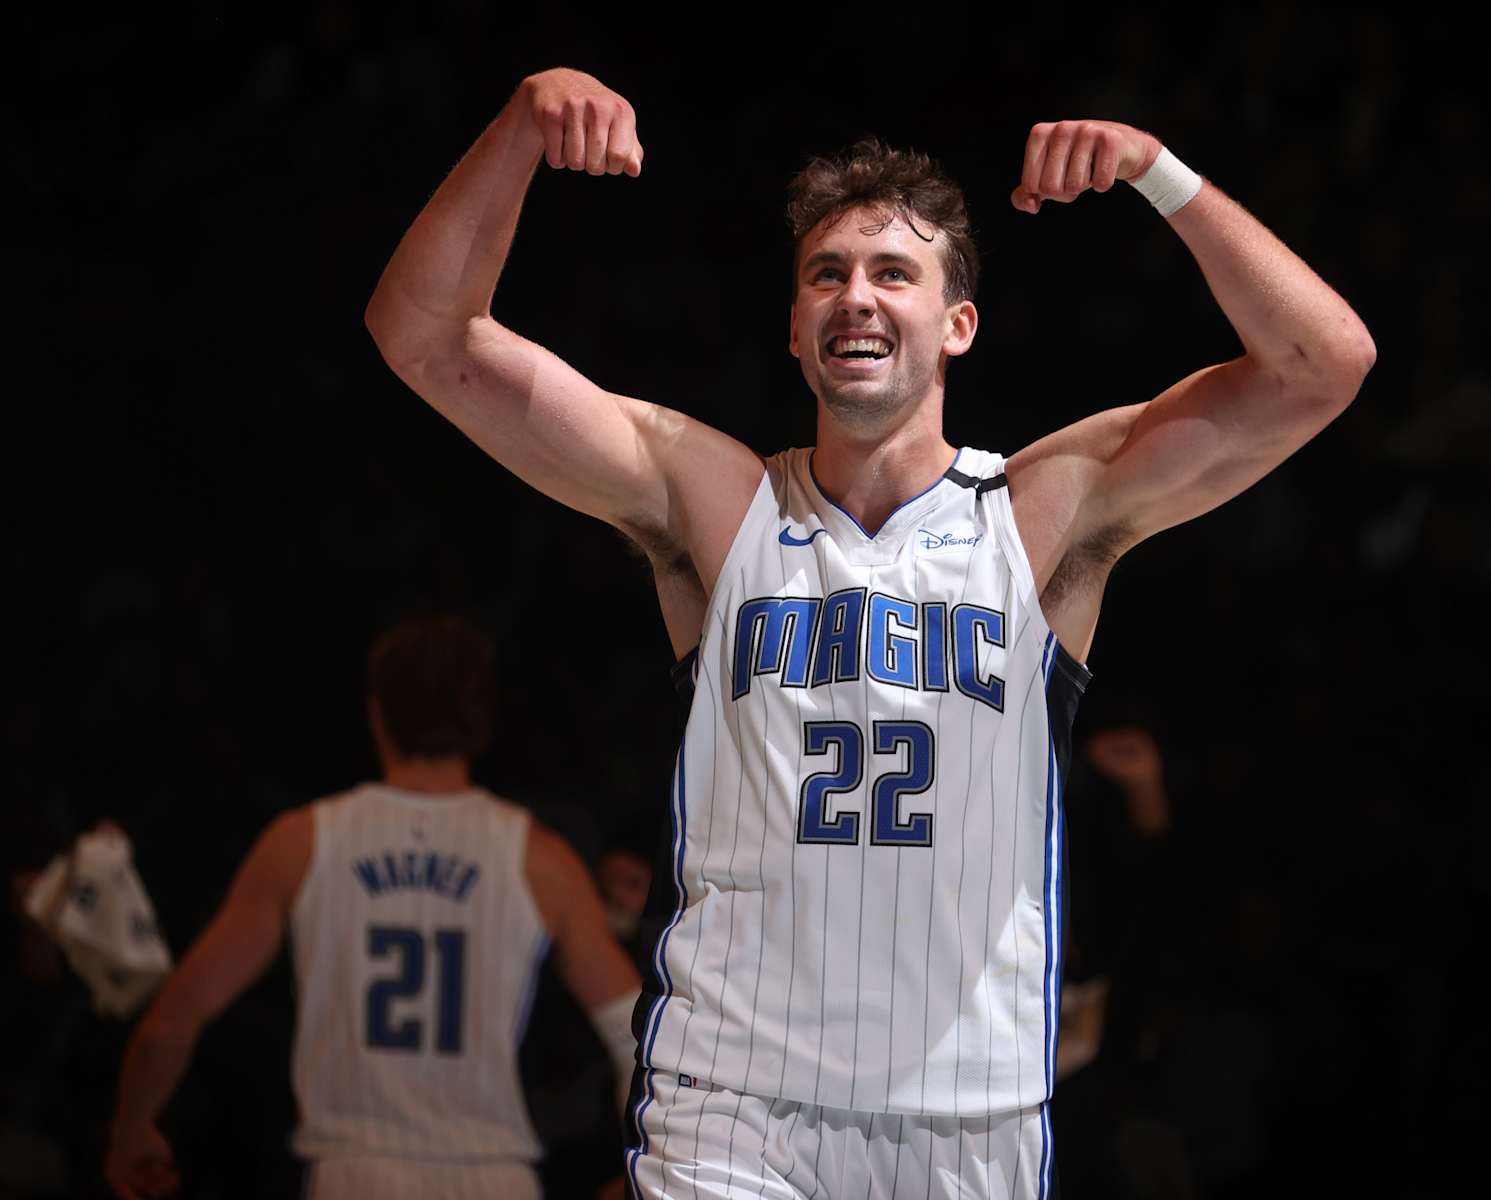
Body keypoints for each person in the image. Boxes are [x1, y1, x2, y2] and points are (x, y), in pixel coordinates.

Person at [363, 67, 1374, 1199]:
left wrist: (1157, 172)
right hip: (731, 1106)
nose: (857, 296)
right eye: (826, 274)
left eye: (894, 272)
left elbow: (1321, 364)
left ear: (958, 326)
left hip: (968, 1114)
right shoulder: (713, 500)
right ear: (794, 330)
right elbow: (426, 338)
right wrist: (518, 125)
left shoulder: (1045, 511)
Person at [103, 616, 643, 1200]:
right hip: (494, 1175)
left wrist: (131, 1130)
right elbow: (639, 1035)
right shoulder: (542, 860)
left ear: (377, 713)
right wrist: (645, 1168)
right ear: (483, 719)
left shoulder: (303, 841)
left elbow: (173, 1020)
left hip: (353, 1174)